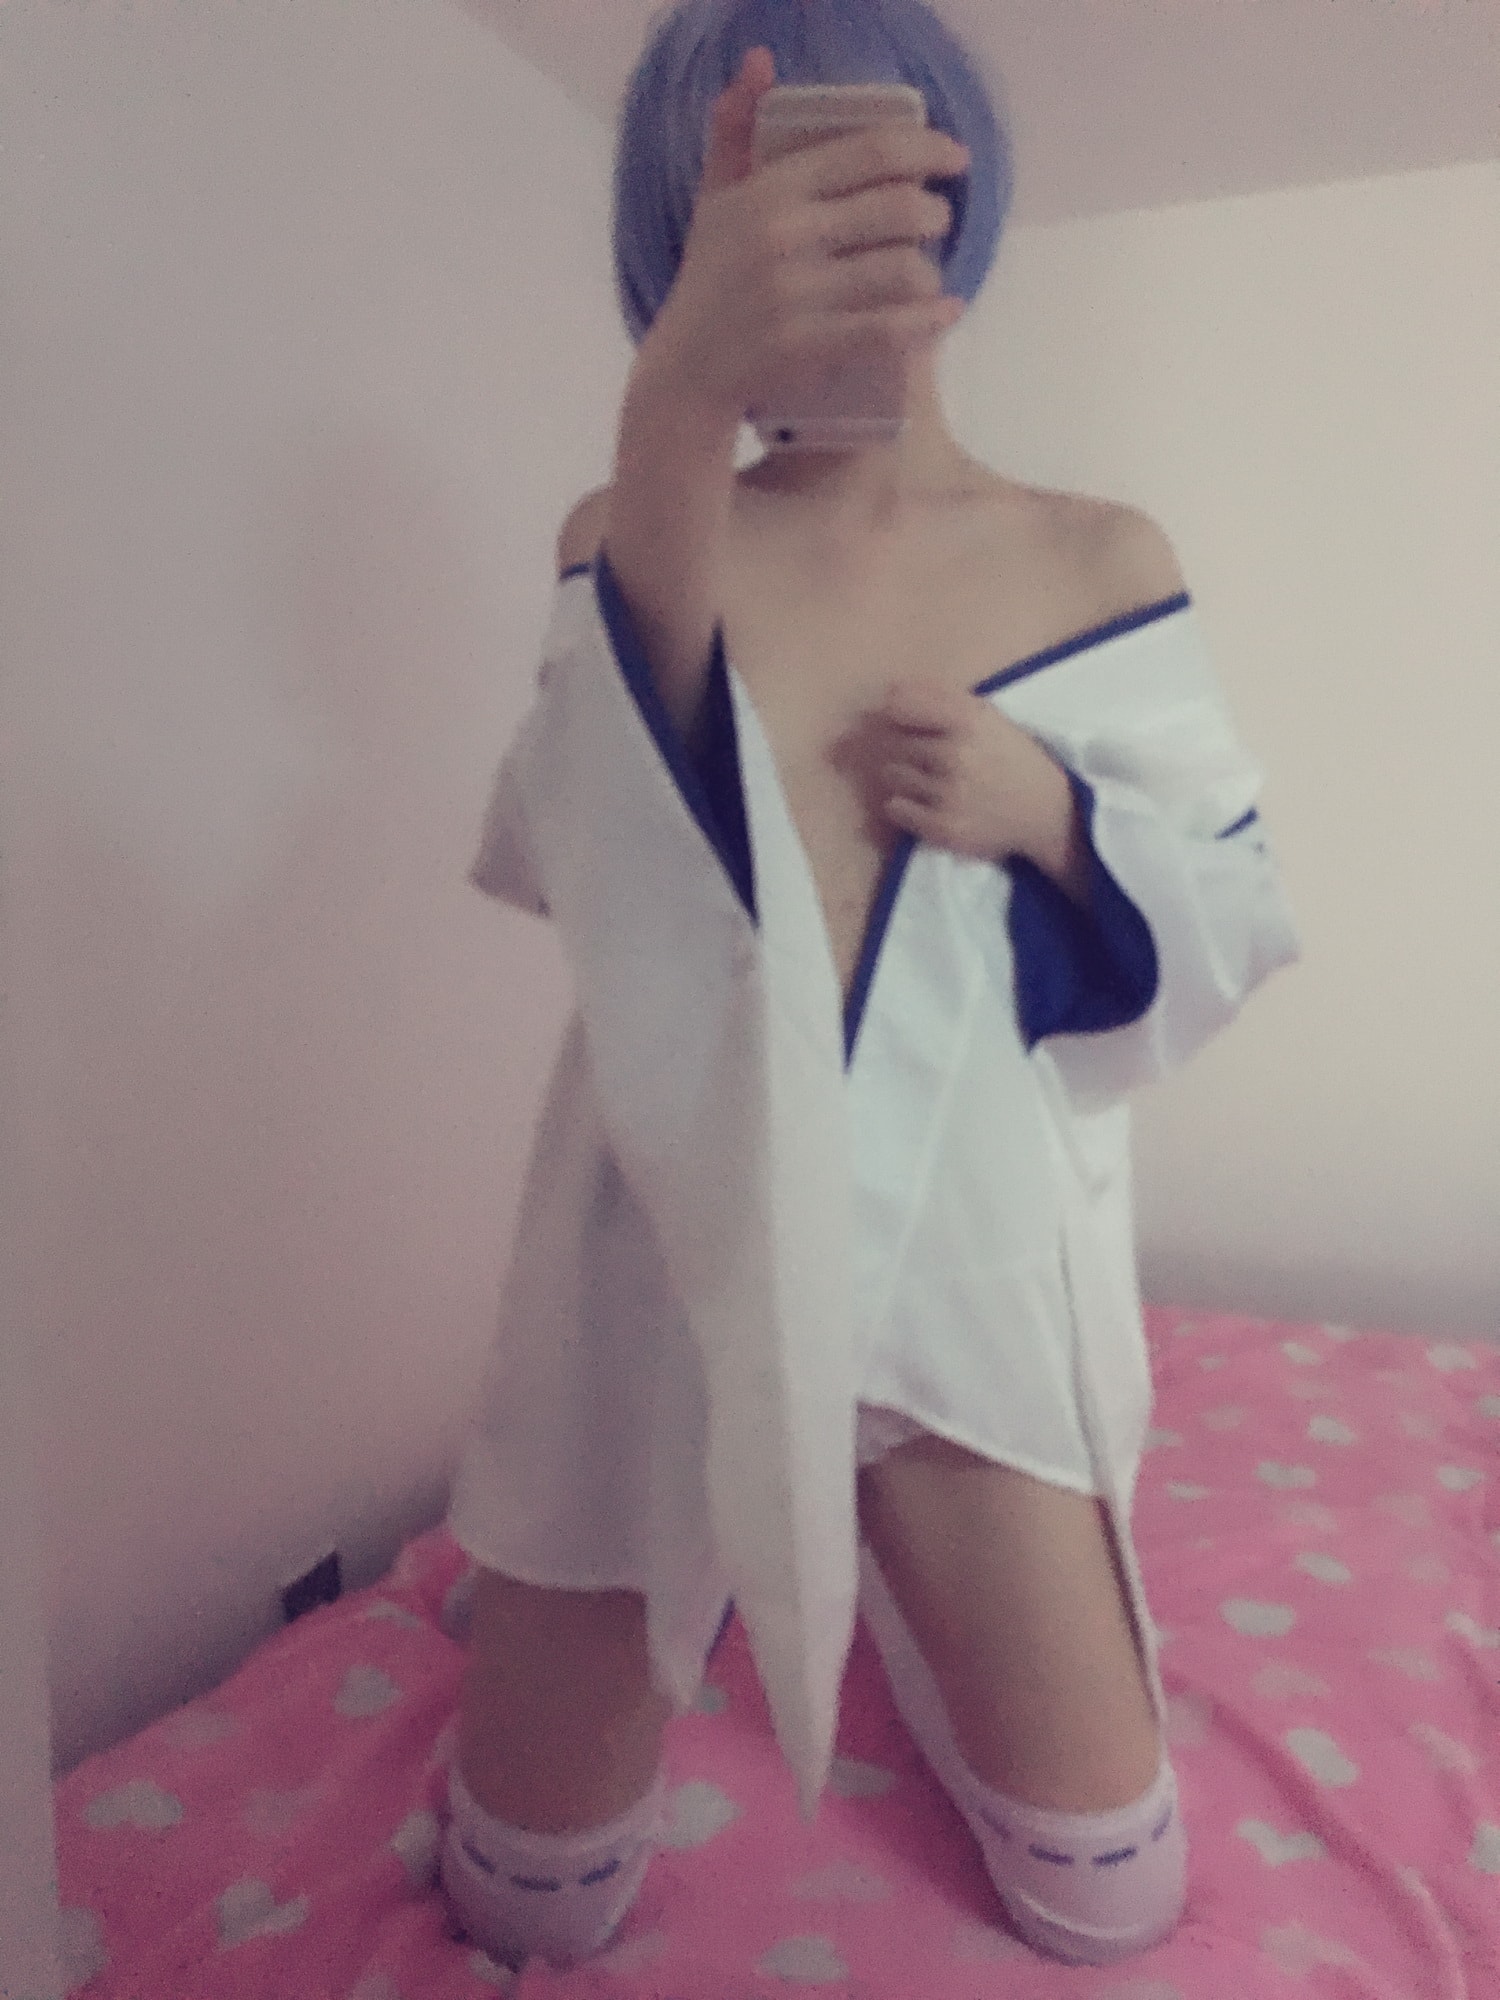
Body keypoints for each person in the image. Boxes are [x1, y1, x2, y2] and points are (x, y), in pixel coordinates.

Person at [439, 0, 1300, 1975]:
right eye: (746, 198)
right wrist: (674, 410)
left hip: (968, 1256)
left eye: (865, 172)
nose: (820, 227)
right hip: (665, 1258)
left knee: (1110, 1892)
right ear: (681, 236)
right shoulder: (636, 523)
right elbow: (572, 851)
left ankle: (896, 1593)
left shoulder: (1098, 554)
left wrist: (1057, 815)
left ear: (950, 190)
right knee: (526, 1897)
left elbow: (1234, 912)